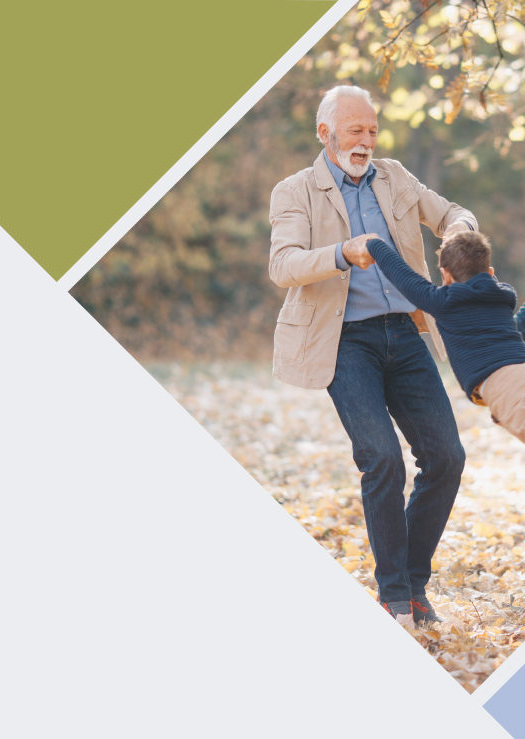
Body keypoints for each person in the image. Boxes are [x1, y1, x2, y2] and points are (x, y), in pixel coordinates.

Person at [268, 84, 477, 627]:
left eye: (372, 131)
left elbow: (453, 211)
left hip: (405, 334)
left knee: (447, 456)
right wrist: (342, 252)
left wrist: (460, 232)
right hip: (344, 341)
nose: (365, 141)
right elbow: (284, 265)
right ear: (325, 133)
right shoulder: (294, 191)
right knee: (381, 459)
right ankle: (394, 597)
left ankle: (412, 584)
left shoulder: (395, 176)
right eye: (354, 130)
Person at [362, 232, 525, 442]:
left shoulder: (444, 301)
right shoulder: (503, 297)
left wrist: (374, 245)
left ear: (446, 275)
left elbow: (404, 278)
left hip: (504, 384)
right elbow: (511, 331)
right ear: (490, 272)